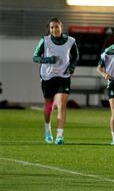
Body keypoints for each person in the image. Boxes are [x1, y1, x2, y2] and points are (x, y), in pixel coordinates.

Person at [33, 17, 79, 145]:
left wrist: (71, 67)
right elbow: (35, 57)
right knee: (49, 106)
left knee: (61, 105)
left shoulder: (70, 41)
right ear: (49, 29)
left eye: (56, 27)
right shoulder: (45, 40)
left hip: (63, 77)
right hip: (48, 77)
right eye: (52, 27)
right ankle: (47, 129)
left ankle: (60, 135)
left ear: (61, 27)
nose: (54, 29)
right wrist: (48, 60)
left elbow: (75, 56)